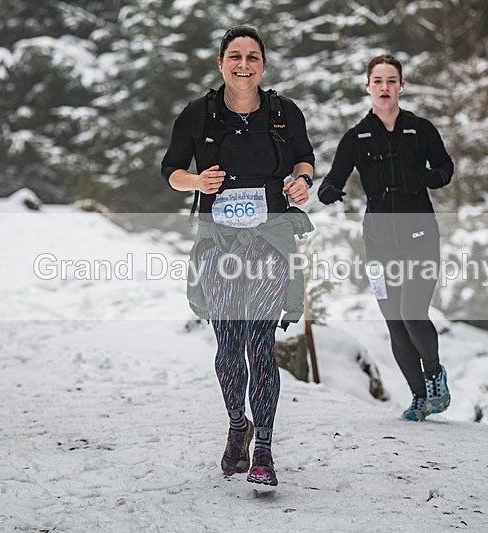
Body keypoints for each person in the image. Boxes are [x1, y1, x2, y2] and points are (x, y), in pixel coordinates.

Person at [160, 26, 315, 486]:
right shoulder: (196, 115)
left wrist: (301, 182)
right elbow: (170, 170)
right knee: (229, 346)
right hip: (218, 241)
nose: (243, 64)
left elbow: (305, 160)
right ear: (220, 62)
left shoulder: (285, 113)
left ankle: (264, 448)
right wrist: (195, 182)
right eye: (234, 55)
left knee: (260, 344)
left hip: (269, 239)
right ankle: (237, 427)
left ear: (263, 64)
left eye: (251, 56)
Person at [317, 54, 454, 422]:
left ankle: (434, 374)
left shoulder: (420, 129)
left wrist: (433, 178)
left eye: (391, 81)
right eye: (378, 81)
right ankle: (418, 398)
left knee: (412, 312)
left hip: (420, 234)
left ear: (401, 86)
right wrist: (328, 190)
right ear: (368, 87)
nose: (384, 88)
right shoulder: (356, 137)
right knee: (395, 321)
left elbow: (445, 166)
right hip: (377, 241)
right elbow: (335, 176)